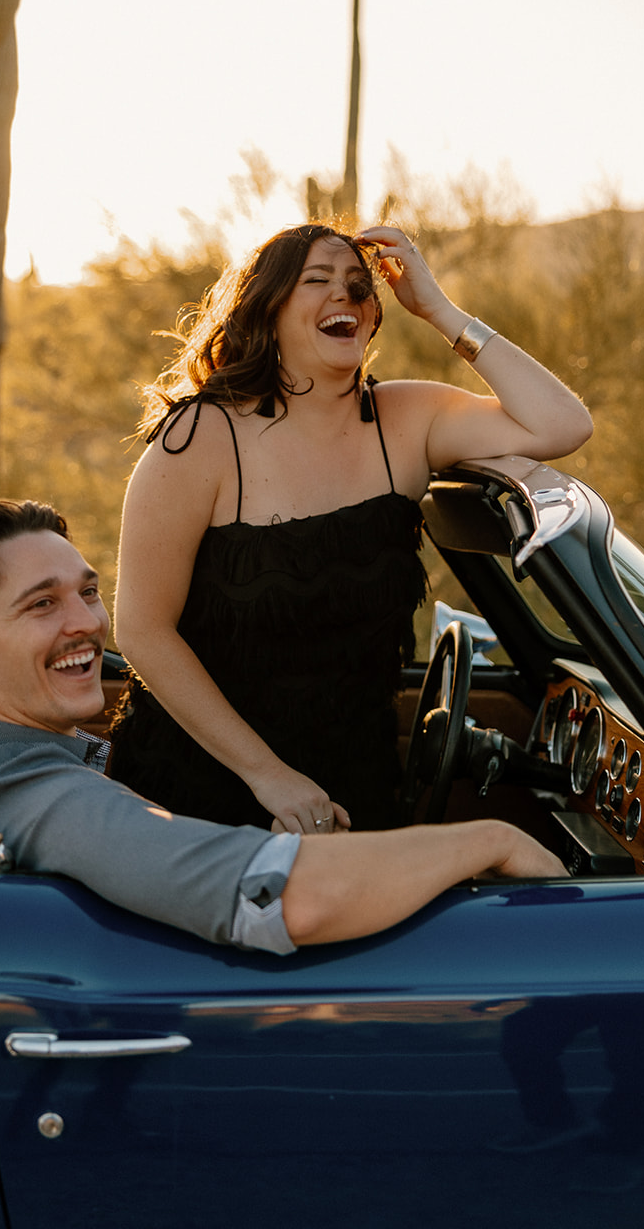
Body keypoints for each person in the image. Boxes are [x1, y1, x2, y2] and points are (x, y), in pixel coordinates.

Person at [0, 496, 565, 954]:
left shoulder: (25, 766)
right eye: (41, 605)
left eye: (87, 592)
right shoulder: (32, 797)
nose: (85, 622)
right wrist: (490, 842)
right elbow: (285, 901)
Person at [109, 221, 593, 835]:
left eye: (359, 285)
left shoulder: (406, 419)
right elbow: (144, 631)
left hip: (355, 789)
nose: (345, 294)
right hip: (202, 791)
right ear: (269, 306)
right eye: (317, 280)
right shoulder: (201, 438)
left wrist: (439, 309)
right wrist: (269, 776)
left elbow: (563, 424)